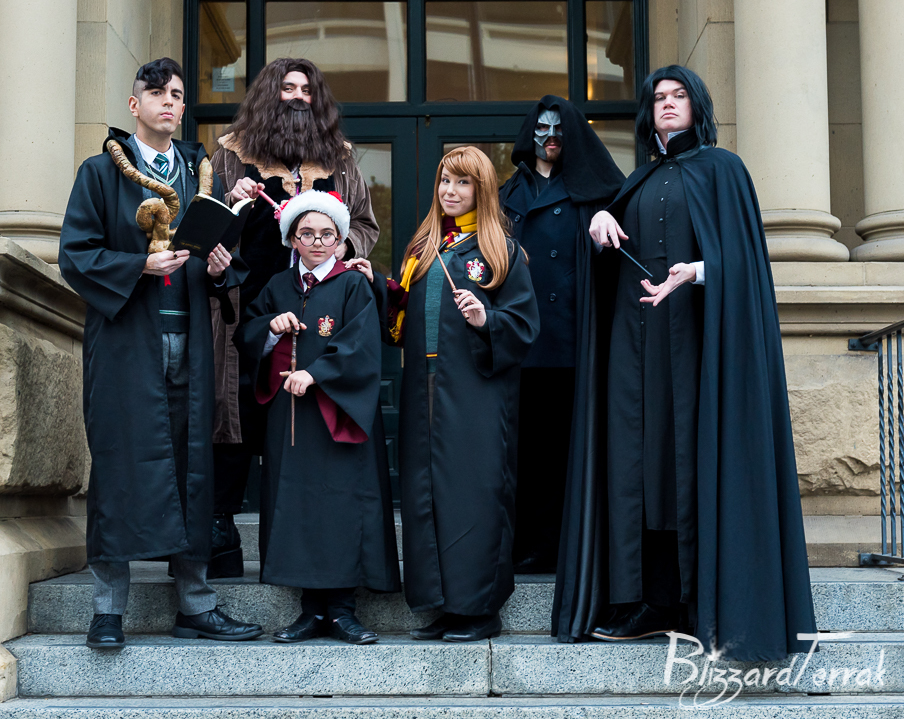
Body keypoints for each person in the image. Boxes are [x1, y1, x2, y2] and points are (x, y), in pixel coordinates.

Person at [551, 65, 816, 660]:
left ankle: (711, 607)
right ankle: (654, 601)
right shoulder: (638, 181)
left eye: (679, 96)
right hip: (637, 354)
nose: (668, 104)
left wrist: (694, 272)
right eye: (658, 98)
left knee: (695, 461)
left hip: (703, 351)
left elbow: (748, 264)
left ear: (697, 106)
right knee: (641, 470)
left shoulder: (723, 169)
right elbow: (610, 263)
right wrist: (600, 222)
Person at [59, 57, 263, 649]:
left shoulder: (199, 177)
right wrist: (139, 266)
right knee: (119, 466)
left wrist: (221, 267)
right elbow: (76, 255)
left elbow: (222, 264)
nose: (169, 101)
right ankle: (107, 611)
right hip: (127, 344)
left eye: (176, 93)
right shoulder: (101, 173)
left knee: (192, 469)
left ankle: (195, 604)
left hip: (192, 344)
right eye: (157, 93)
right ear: (135, 105)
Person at [350, 147, 540, 643]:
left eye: (462, 182)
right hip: (423, 392)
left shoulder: (500, 251)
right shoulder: (424, 249)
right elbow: (400, 323)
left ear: (482, 189)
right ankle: (445, 606)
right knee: (428, 497)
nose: (450, 191)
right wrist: (376, 285)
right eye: (444, 181)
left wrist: (485, 318)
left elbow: (523, 326)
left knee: (473, 498)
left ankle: (480, 610)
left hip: (477, 395)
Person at [207, 58, 380, 578]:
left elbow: (364, 224)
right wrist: (231, 201)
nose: (299, 96)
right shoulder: (230, 152)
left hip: (317, 312)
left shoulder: (340, 157)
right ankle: (220, 533)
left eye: (306, 89)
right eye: (287, 88)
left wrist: (335, 247)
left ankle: (312, 542)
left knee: (302, 421)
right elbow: (206, 224)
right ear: (270, 95)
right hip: (244, 310)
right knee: (234, 414)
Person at [236, 189, 400, 645]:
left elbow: (361, 345)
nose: (317, 242)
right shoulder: (277, 286)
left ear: (341, 240)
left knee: (342, 507)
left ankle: (343, 611)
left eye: (328, 234)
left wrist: (316, 373)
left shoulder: (353, 285)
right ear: (292, 239)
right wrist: (271, 329)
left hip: (338, 414)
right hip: (291, 420)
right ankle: (310, 611)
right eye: (306, 234)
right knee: (299, 507)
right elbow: (247, 332)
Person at [500, 95, 625, 573]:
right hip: (517, 339)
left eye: (559, 129)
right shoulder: (508, 193)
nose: (550, 137)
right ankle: (524, 541)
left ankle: (560, 544)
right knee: (522, 448)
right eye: (542, 128)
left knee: (561, 448)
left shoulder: (595, 193)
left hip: (570, 341)